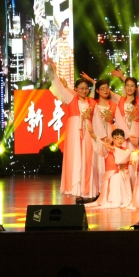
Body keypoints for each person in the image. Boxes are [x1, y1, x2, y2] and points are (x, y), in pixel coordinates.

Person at [48, 59, 98, 198]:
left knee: (87, 158)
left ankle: (87, 190)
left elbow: (97, 92)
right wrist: (54, 70)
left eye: (86, 88)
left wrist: (92, 81)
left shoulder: (91, 102)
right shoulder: (71, 99)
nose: (84, 90)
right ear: (75, 89)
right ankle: (76, 190)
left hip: (88, 131)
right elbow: (59, 86)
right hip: (74, 132)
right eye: (81, 88)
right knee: (75, 157)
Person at [86, 129, 132, 208]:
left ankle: (121, 200)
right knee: (115, 177)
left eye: (121, 138)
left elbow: (124, 156)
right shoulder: (107, 149)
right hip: (110, 176)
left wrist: (113, 149)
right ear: (113, 138)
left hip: (122, 174)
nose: (119, 140)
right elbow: (100, 146)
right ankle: (112, 200)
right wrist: (93, 135)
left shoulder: (126, 150)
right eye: (117, 138)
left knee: (118, 176)